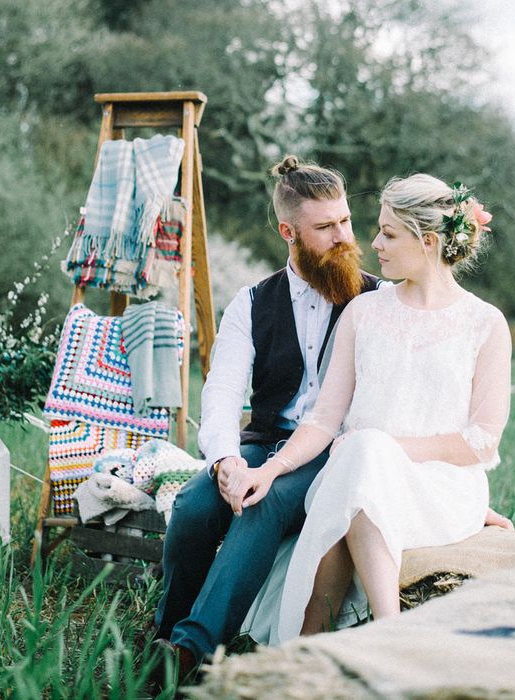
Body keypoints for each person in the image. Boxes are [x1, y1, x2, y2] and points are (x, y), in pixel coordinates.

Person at [235, 174, 513, 643]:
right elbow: (324, 418)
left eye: (388, 233)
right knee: (360, 471)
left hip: (441, 486)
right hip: (357, 473)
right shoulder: (363, 313)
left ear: (427, 241)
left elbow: (481, 440)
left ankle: (336, 637)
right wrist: (271, 469)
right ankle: (367, 639)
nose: (373, 243)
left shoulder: (485, 323)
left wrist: (386, 449)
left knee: (363, 458)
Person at [152, 155, 381, 673]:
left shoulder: (379, 299)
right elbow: (222, 389)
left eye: (345, 221)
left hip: (333, 453)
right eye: (325, 227)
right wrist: (226, 462)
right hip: (263, 440)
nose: (343, 236)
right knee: (191, 506)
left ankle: (191, 651)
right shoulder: (252, 302)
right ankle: (163, 638)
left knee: (265, 500)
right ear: (288, 232)